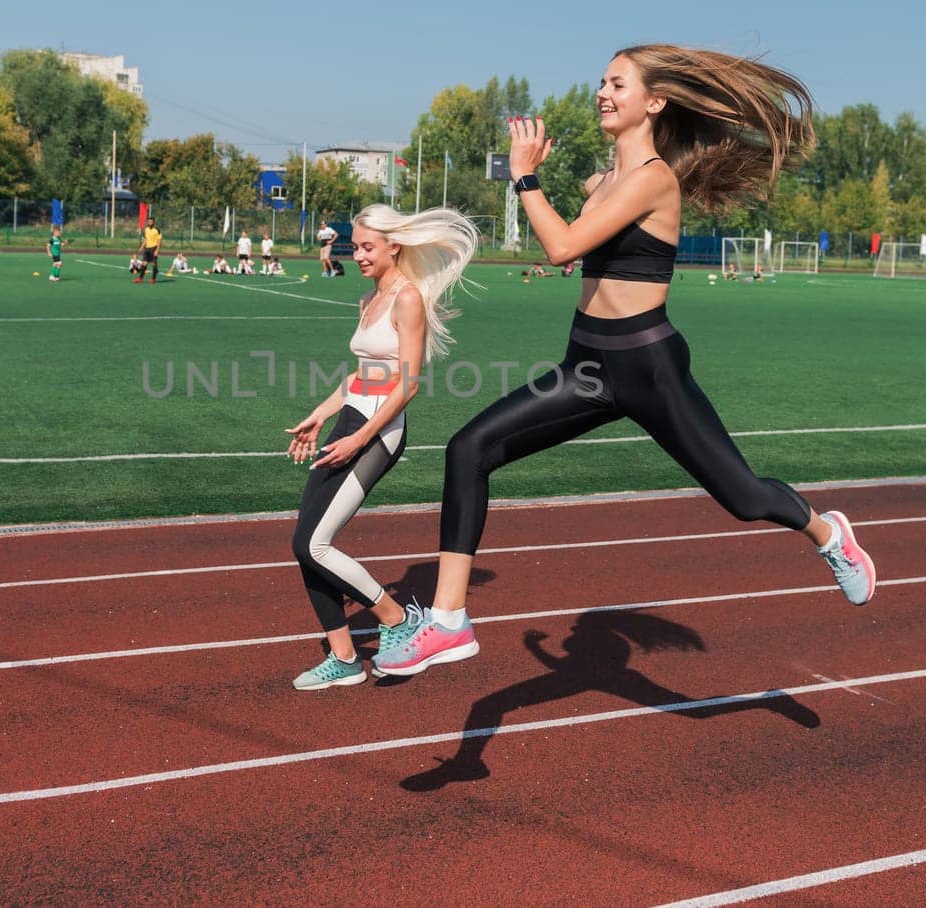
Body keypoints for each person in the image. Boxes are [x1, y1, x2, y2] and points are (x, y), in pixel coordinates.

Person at [374, 45, 877, 680]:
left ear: (655, 102)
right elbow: (574, 237)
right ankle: (449, 620)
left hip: (648, 368)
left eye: (618, 83)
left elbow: (560, 248)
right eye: (602, 82)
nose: (603, 93)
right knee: (468, 449)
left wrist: (525, 176)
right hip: (587, 366)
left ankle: (828, 534)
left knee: (745, 498)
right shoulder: (602, 184)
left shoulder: (654, 179)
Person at [284, 204, 479, 689]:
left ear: (395, 245)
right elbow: (361, 375)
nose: (358, 254)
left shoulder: (407, 298)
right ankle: (346, 658)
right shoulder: (370, 297)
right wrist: (320, 415)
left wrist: (361, 438)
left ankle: (396, 619)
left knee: (315, 542)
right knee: (303, 544)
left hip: (380, 431)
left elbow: (408, 383)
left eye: (368, 246)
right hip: (352, 417)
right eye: (355, 245)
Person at [135, 217, 163, 284]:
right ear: (147, 222)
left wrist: (157, 250)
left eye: (151, 222)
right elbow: (146, 239)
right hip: (147, 249)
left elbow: (159, 241)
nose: (150, 223)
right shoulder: (146, 229)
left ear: (153, 222)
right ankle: (140, 278)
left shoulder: (157, 230)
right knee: (144, 263)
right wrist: (142, 247)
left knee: (154, 264)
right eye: (149, 222)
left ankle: (153, 279)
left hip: (153, 248)